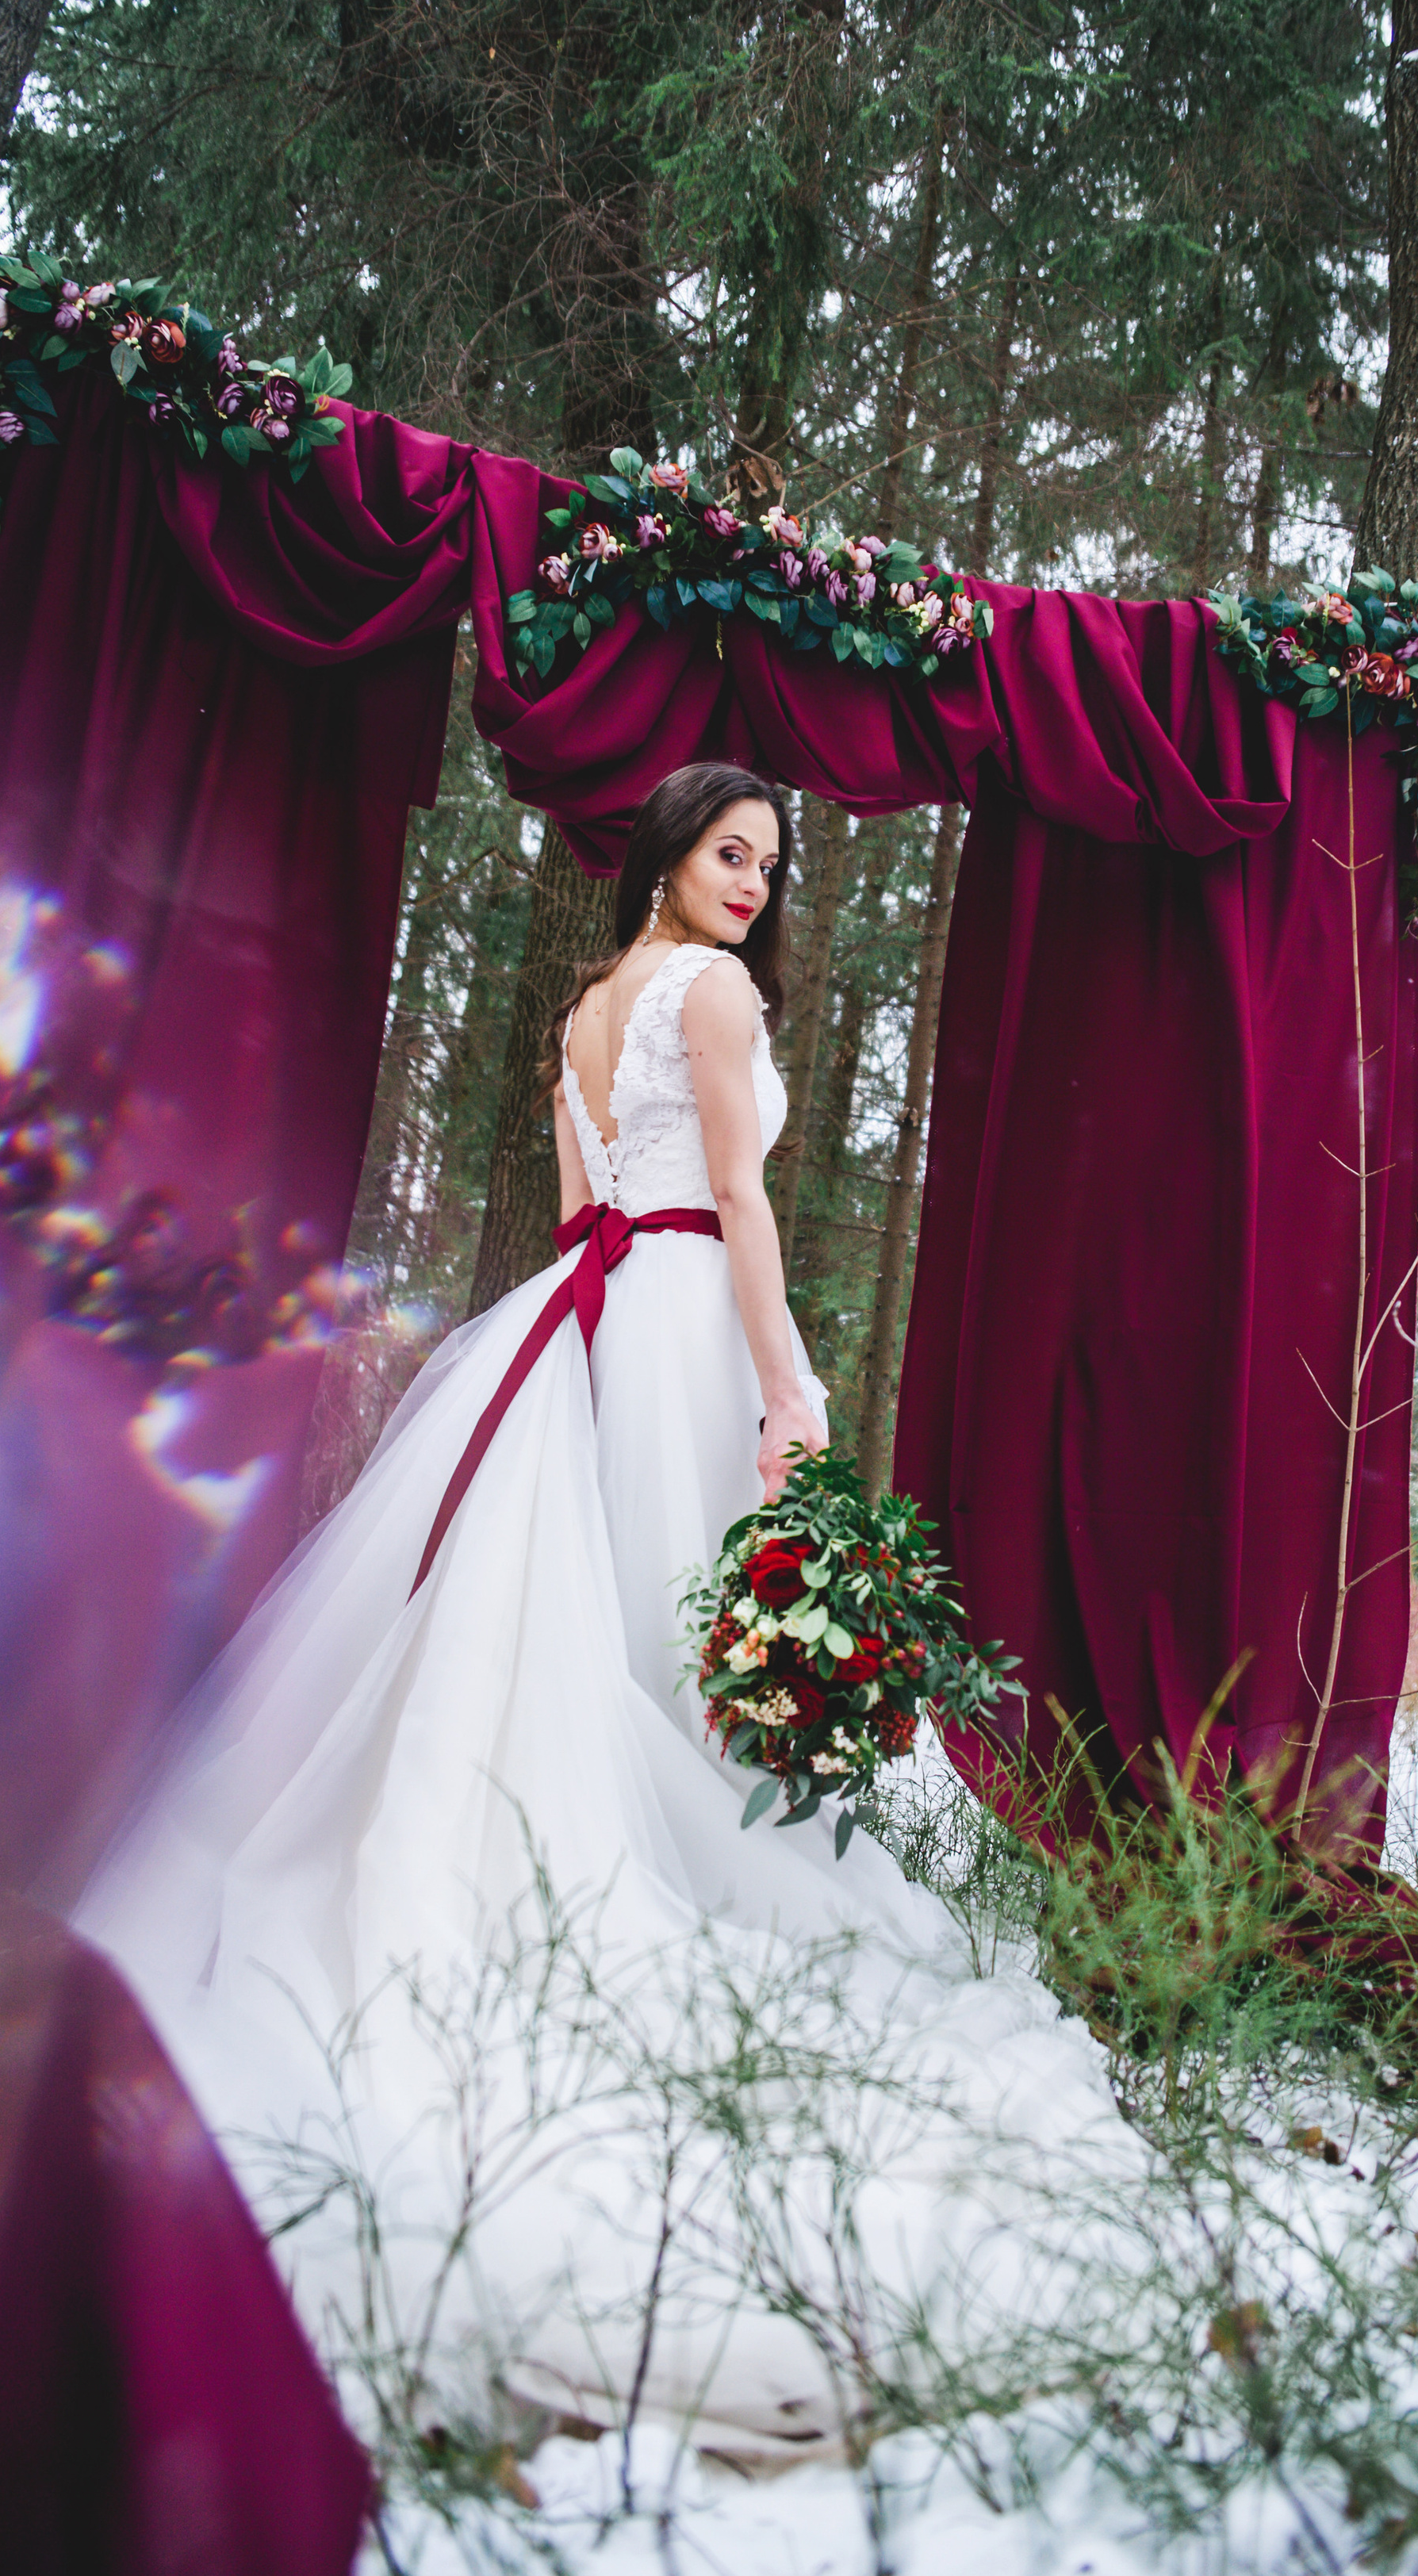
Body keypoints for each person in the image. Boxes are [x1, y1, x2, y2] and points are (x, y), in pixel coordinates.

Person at [76, 761, 1127, 2446]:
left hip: (584, 1316)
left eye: (769, 866)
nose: (751, 887)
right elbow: (734, 1195)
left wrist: (608, 1339)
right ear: (666, 856)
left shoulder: (591, 1002)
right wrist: (785, 1387)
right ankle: (680, 1862)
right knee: (664, 1626)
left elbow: (582, 1218)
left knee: (625, 1622)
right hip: (681, 1313)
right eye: (730, 853)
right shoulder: (705, 993)